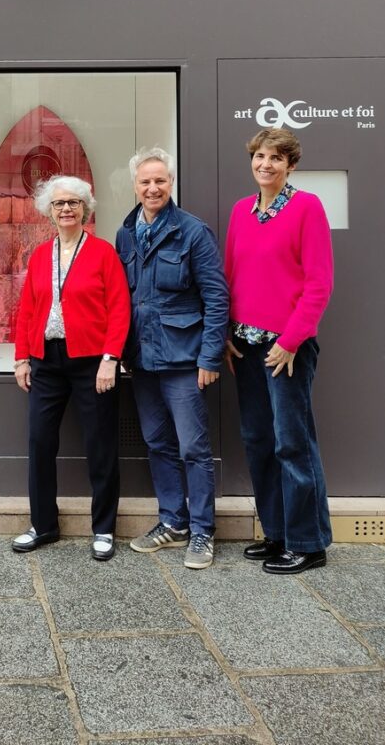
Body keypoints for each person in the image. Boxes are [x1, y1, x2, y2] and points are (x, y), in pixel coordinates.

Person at [225, 129, 333, 574]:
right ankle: (277, 533)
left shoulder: (307, 207)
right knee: (259, 441)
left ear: (291, 165)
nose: (265, 164)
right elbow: (230, 275)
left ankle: (308, 543)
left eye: (275, 157)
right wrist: (226, 333)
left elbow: (319, 283)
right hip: (246, 345)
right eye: (259, 156)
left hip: (286, 348)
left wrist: (290, 341)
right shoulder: (241, 210)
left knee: (292, 442)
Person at [116, 148, 229, 570]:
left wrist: (210, 357)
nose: (153, 188)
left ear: (171, 183)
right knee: (157, 443)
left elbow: (216, 297)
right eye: (145, 181)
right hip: (142, 360)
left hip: (184, 359)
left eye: (160, 180)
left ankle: (202, 531)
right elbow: (122, 298)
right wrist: (121, 350)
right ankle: (172, 521)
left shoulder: (193, 231)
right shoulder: (126, 233)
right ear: (135, 185)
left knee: (193, 448)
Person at [12, 176, 130, 561]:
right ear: (49, 211)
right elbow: (27, 309)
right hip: (46, 361)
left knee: (100, 444)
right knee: (40, 442)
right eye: (59, 203)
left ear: (85, 209)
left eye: (73, 203)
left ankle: (103, 528)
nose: (66, 209)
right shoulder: (39, 255)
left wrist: (110, 358)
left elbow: (120, 309)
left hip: (92, 362)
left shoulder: (102, 253)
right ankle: (43, 524)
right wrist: (22, 357)